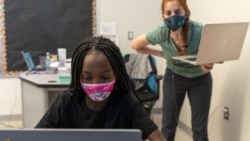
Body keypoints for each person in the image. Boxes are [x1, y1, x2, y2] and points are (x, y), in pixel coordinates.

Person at [35, 36, 167, 141]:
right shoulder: (66, 102)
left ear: (116, 73)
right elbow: (34, 137)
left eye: (105, 77)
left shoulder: (127, 103)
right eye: (87, 77)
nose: (96, 84)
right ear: (78, 77)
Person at [131, 0, 222, 141]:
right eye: (168, 13)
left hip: (200, 79)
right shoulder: (161, 32)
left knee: (200, 129)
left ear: (186, 12)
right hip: (174, 77)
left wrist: (209, 64)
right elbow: (136, 45)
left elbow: (205, 68)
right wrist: (160, 54)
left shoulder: (200, 31)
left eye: (177, 12)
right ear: (163, 15)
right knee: (168, 126)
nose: (173, 16)